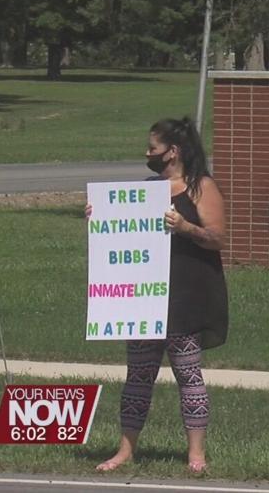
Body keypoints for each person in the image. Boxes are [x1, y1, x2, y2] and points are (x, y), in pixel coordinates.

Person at [89, 117, 229, 474]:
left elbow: (216, 237)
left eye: (153, 148)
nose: (147, 153)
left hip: (185, 296)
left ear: (173, 151)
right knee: (138, 375)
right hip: (143, 299)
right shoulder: (148, 190)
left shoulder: (201, 187)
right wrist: (99, 214)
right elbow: (122, 230)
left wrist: (185, 227)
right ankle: (125, 450)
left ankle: (196, 453)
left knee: (188, 374)